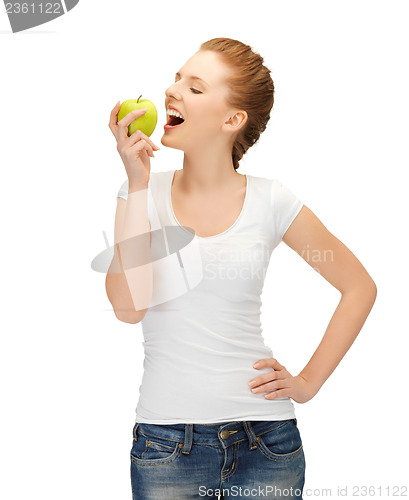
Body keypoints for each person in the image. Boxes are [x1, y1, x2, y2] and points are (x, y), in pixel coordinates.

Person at [106, 38, 377, 500]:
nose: (172, 91)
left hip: (266, 440)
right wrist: (136, 183)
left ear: (232, 120)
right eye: (177, 78)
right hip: (167, 444)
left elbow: (358, 287)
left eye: (194, 87)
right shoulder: (141, 195)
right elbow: (130, 308)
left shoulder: (272, 200)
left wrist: (308, 383)